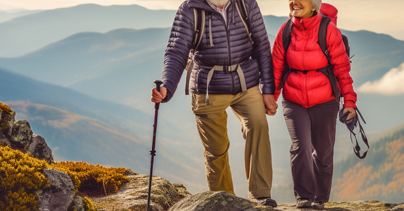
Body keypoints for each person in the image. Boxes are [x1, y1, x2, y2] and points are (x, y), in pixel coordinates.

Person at [150, 0, 279, 207]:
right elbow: (176, 52)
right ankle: (225, 201)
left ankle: (260, 195)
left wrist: (268, 90)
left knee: (259, 125)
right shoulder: (189, 9)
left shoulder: (246, 4)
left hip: (245, 81)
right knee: (216, 149)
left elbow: (262, 46)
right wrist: (167, 87)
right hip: (207, 87)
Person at [271, 1, 357, 209]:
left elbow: (342, 70)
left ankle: (320, 199)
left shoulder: (329, 30)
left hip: (325, 100)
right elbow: (276, 67)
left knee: (323, 152)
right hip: (293, 99)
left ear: (314, 6)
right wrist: (271, 98)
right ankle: (304, 197)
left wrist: (349, 101)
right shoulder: (285, 31)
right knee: (300, 147)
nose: (294, 2)